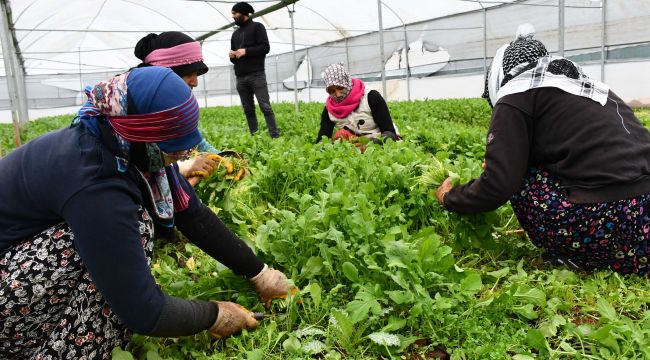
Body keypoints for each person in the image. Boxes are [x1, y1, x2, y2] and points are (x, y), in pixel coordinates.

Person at [0, 67, 296, 359]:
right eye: (174, 151)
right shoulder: (95, 180)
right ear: (141, 135)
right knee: (132, 230)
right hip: (8, 293)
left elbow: (193, 215)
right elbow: (145, 312)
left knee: (122, 236)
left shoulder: (122, 143)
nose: (182, 156)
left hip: (19, 264)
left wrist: (260, 274)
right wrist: (215, 315)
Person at [435, 25, 650, 275]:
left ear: (500, 76)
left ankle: (577, 254)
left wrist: (450, 198)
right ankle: (626, 256)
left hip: (604, 217)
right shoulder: (587, 88)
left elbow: (498, 185)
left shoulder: (516, 94)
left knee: (521, 175)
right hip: (643, 217)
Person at [135, 31, 222, 186]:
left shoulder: (170, 105)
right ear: (166, 74)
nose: (195, 82)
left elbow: (198, 143)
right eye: (189, 73)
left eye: (196, 74)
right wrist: (183, 167)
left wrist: (225, 159)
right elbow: (127, 164)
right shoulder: (128, 104)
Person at [230, 2, 280, 138]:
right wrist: (232, 56)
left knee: (265, 106)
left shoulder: (257, 27)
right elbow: (234, 59)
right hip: (240, 77)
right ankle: (255, 136)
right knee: (248, 109)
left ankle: (275, 136)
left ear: (244, 12)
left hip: (256, 74)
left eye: (235, 13)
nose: (233, 16)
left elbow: (265, 47)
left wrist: (246, 51)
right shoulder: (235, 34)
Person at [316, 63, 400, 146]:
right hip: (352, 146)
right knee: (340, 135)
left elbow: (389, 132)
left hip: (377, 143)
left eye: (340, 88)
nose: (338, 94)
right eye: (332, 91)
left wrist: (369, 146)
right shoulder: (330, 109)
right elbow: (322, 140)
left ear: (347, 82)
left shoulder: (370, 96)